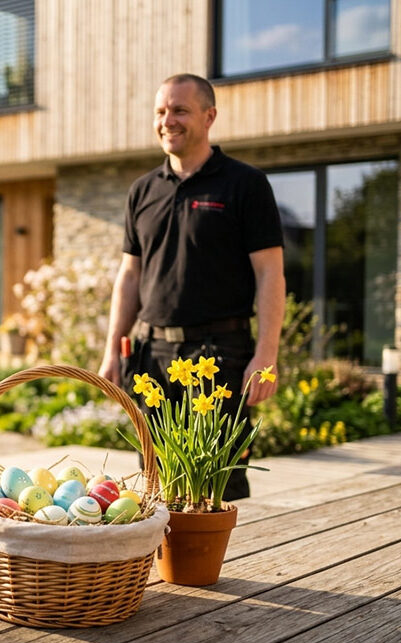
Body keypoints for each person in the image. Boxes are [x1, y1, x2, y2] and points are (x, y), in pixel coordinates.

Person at [98, 73, 286, 500]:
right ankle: (166, 568)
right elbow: (130, 276)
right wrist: (113, 348)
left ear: (209, 116)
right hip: (152, 358)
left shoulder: (244, 184)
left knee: (221, 482)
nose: (168, 120)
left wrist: (267, 355)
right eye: (161, 111)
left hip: (220, 356)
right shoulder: (142, 191)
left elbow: (270, 273)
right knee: (155, 479)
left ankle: (223, 566)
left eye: (180, 110)